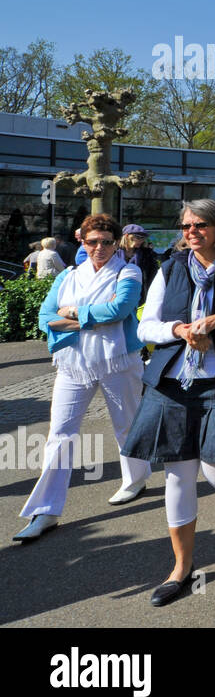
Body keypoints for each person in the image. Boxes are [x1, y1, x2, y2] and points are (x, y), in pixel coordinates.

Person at [121, 199, 215, 606]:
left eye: (199, 225)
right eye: (186, 225)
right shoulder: (169, 269)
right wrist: (178, 328)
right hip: (173, 383)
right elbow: (145, 325)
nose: (190, 232)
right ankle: (181, 568)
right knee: (178, 474)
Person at [14, 215, 154, 543]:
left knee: (127, 425)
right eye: (93, 241)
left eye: (106, 241)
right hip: (73, 363)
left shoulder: (129, 271)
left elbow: (121, 309)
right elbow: (45, 316)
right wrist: (91, 318)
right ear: (82, 241)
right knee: (59, 435)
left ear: (117, 242)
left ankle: (135, 479)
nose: (99, 248)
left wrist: (74, 313)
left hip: (118, 361)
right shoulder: (68, 275)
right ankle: (45, 510)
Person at [121, 224, 160, 292]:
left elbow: (153, 276)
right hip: (117, 292)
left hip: (141, 293)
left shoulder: (148, 255)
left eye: (143, 238)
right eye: (138, 237)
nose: (141, 240)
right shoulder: (113, 253)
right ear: (127, 236)